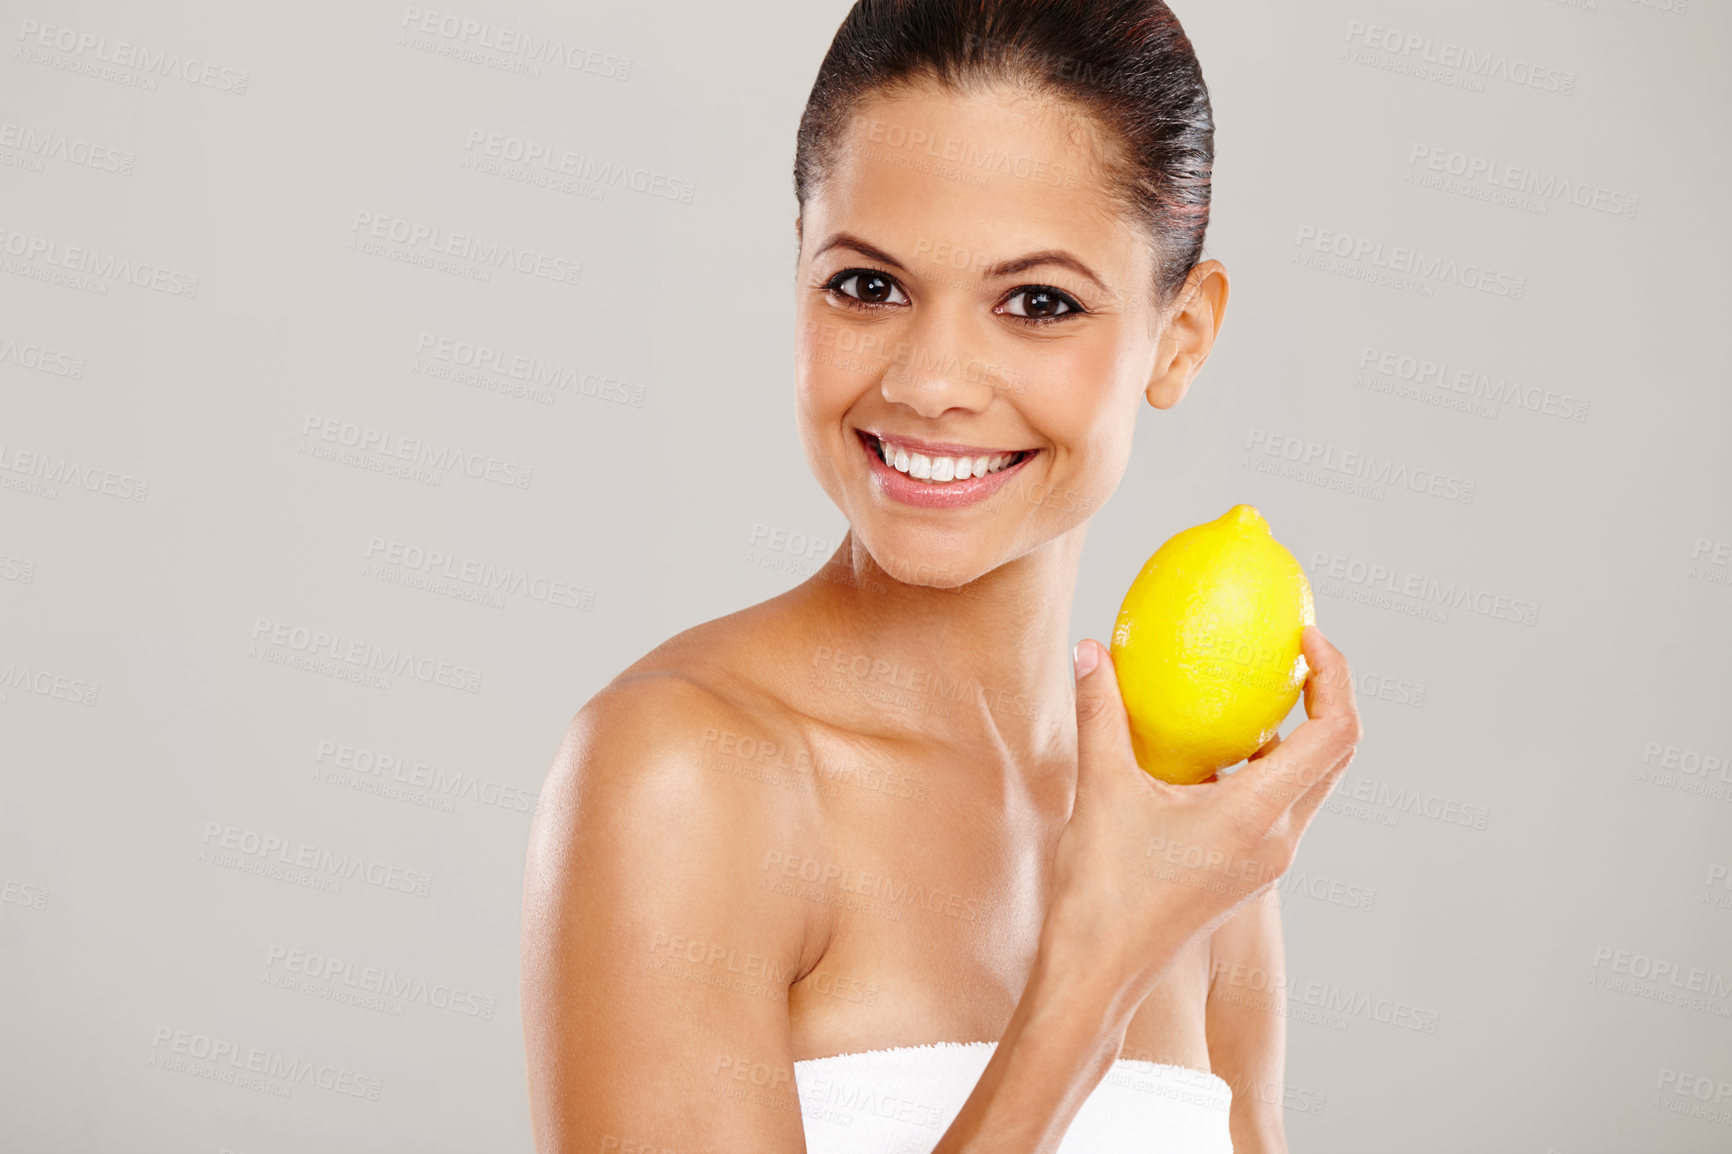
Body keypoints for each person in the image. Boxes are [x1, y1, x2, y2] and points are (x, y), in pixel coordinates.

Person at [521, 1, 1363, 1150]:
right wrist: (1090, 982)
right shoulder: (685, 774)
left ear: (1181, 336)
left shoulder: (1191, 824)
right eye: (868, 286)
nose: (929, 382)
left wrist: (1159, 909)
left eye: (1037, 302)